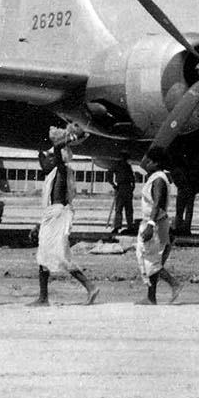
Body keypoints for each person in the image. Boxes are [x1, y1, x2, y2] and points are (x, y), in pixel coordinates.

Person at [35, 128, 100, 305]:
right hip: (53, 216)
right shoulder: (55, 174)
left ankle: (90, 287)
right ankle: (43, 297)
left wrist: (64, 141)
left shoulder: (61, 171)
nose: (44, 162)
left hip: (57, 216)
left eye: (48, 158)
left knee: (60, 256)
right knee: (44, 256)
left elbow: (57, 155)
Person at [136, 151, 179, 304]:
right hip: (155, 221)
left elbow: (156, 203)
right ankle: (151, 296)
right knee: (151, 259)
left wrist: (150, 225)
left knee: (150, 260)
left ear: (156, 163)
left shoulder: (159, 179)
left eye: (149, 161)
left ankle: (174, 284)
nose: (145, 164)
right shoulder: (156, 177)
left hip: (155, 222)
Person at [111, 153, 136, 236]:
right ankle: (117, 227)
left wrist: (133, 186)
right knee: (119, 209)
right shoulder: (116, 166)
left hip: (128, 187)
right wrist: (114, 185)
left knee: (129, 209)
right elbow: (109, 174)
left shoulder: (128, 166)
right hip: (121, 187)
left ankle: (130, 226)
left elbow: (132, 177)